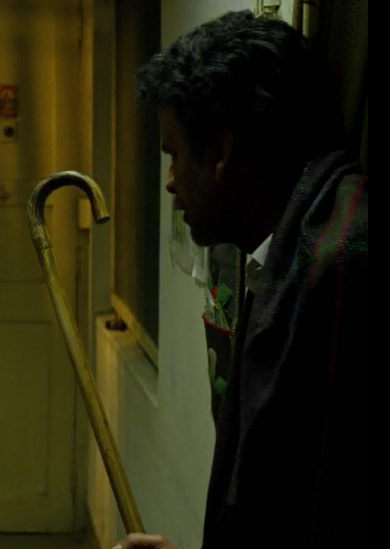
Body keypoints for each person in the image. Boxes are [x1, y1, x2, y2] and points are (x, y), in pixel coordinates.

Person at [115, 10, 368, 549]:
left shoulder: (341, 272)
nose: (169, 183)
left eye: (174, 155)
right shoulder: (282, 257)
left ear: (219, 152)